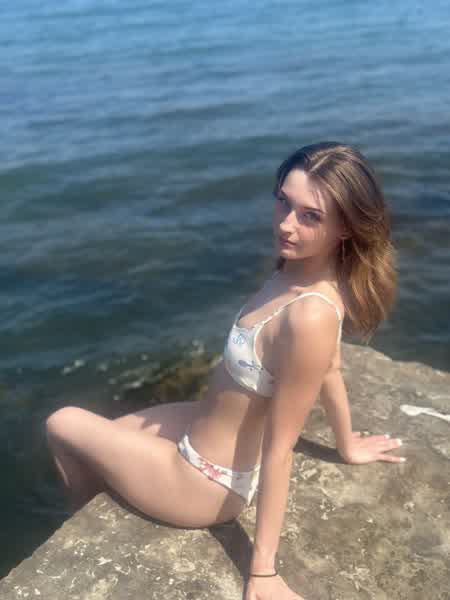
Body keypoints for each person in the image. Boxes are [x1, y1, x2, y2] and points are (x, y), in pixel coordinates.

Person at [45, 142, 405, 600]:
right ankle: (93, 514)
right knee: (102, 438)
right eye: (283, 201)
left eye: (310, 216)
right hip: (202, 426)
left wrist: (263, 572)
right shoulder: (294, 270)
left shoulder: (310, 314)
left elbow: (281, 450)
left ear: (347, 228)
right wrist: (346, 444)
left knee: (62, 424)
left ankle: (81, 528)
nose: (286, 224)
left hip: (204, 480)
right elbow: (331, 369)